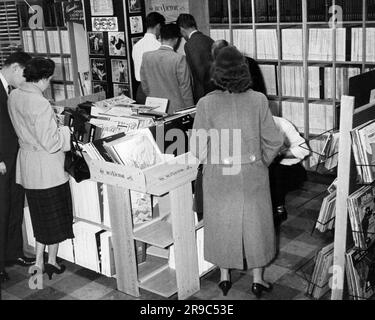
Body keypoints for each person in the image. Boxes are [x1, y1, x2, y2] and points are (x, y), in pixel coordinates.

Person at [190, 46, 283, 298]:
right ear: (244, 71)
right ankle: (257, 280)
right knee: (257, 226)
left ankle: (223, 277)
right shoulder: (258, 100)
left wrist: (215, 160)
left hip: (219, 175)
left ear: (216, 72)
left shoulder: (205, 104)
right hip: (252, 172)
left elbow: (197, 147)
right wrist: (261, 161)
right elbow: (274, 140)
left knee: (221, 224)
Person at [8, 57, 73, 280]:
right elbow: (52, 143)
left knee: (39, 217)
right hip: (48, 169)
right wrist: (67, 131)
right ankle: (49, 262)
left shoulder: (14, 94)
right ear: (45, 78)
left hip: (28, 165)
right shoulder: (41, 103)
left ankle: (42, 262)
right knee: (52, 219)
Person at [0, 52, 35, 283]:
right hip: (1, 161)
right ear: (14, 67)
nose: (25, 80)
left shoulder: (10, 90)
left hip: (15, 157)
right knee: (1, 210)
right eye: (24, 74)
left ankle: (13, 254)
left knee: (13, 206)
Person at [140, 23, 194, 114]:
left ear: (160, 37)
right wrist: (191, 112)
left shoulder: (146, 56)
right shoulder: (179, 59)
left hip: (153, 107)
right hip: (176, 109)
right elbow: (185, 89)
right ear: (177, 40)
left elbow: (145, 85)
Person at [269, 116, 310, 225]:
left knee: (271, 171)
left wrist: (278, 154)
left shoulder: (282, 124)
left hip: (287, 168)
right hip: (260, 166)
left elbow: (304, 150)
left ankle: (279, 209)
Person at [177, 13, 215, 103]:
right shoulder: (209, 39)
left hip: (202, 93)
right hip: (215, 89)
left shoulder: (189, 45)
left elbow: (199, 72)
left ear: (181, 29)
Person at [132, 12, 165, 104]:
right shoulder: (159, 46)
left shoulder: (136, 46)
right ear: (158, 26)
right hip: (156, 89)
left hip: (141, 89)